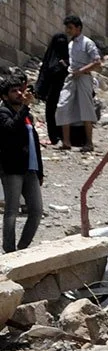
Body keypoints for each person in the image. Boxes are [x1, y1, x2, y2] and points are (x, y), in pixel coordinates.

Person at [0, 73, 45, 253]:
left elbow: (34, 144)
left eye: (20, 90)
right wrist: (25, 108)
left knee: (36, 210)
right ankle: (9, 250)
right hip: (12, 169)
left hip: (30, 169)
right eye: (14, 91)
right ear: (4, 96)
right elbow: (11, 129)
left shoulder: (26, 115)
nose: (19, 93)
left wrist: (39, 171)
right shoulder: (3, 113)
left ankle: (22, 247)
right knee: (12, 211)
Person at [55, 15, 103, 152]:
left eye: (70, 28)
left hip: (84, 78)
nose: (68, 30)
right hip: (71, 78)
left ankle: (89, 143)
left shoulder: (88, 43)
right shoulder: (70, 44)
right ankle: (66, 142)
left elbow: (97, 63)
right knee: (63, 106)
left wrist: (80, 71)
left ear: (78, 28)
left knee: (86, 109)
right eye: (67, 28)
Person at [33, 33, 72, 146]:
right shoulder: (50, 58)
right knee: (51, 114)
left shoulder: (69, 58)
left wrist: (65, 66)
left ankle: (66, 137)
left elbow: (73, 71)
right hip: (52, 94)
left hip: (66, 91)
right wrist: (39, 90)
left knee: (65, 113)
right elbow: (44, 74)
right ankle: (55, 137)